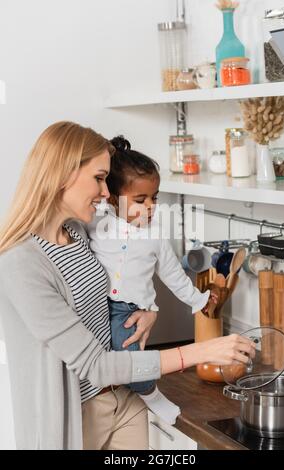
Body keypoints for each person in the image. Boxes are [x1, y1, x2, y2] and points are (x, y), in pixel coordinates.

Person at [0, 121, 255, 450]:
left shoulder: (79, 233)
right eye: (99, 179)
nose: (107, 193)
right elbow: (94, 365)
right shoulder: (21, 262)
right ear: (62, 174)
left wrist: (149, 310)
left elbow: (123, 280)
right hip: (75, 417)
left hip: (124, 400)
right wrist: (202, 351)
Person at [87, 136, 212, 426]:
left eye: (154, 198)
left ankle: (151, 395)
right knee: (101, 362)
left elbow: (172, 275)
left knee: (129, 358)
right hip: (95, 305)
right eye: (140, 200)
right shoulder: (96, 222)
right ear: (114, 198)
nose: (151, 206)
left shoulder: (155, 234)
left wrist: (199, 301)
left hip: (128, 311)